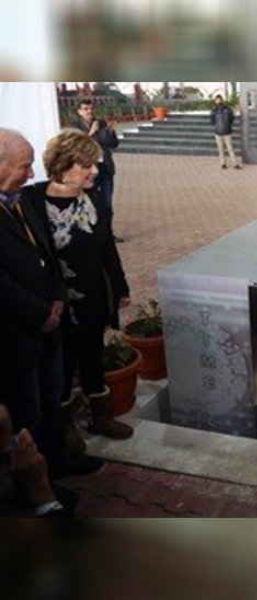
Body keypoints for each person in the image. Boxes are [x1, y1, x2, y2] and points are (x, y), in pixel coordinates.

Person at [0, 128, 100, 477]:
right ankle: (42, 481)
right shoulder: (28, 198)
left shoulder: (18, 200)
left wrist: (57, 299)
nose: (30, 174)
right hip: (20, 332)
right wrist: (42, 311)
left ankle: (60, 461)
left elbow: (46, 256)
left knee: (51, 398)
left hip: (49, 321)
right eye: (24, 166)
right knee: (29, 411)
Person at [24, 129, 133, 440]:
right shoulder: (32, 201)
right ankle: (64, 431)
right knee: (60, 363)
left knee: (92, 355)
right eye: (86, 165)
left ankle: (101, 417)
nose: (95, 171)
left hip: (92, 297)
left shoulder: (95, 201)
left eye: (95, 164)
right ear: (62, 165)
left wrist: (121, 287)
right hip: (54, 304)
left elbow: (107, 249)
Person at [71, 98, 123, 242]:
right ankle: (92, 233)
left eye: (91, 108)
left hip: (104, 168)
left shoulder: (101, 123)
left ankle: (108, 234)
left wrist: (110, 132)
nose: (89, 112)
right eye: (86, 109)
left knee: (107, 204)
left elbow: (113, 144)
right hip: (87, 171)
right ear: (79, 111)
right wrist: (91, 132)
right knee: (88, 202)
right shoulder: (74, 126)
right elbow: (76, 146)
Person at [210, 94, 241, 170]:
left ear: (221, 100)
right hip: (218, 132)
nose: (218, 101)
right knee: (221, 149)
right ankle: (223, 163)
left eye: (219, 99)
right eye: (216, 100)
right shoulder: (214, 110)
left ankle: (235, 163)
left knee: (230, 148)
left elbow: (231, 119)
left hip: (226, 132)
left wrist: (227, 125)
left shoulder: (227, 109)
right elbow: (212, 120)